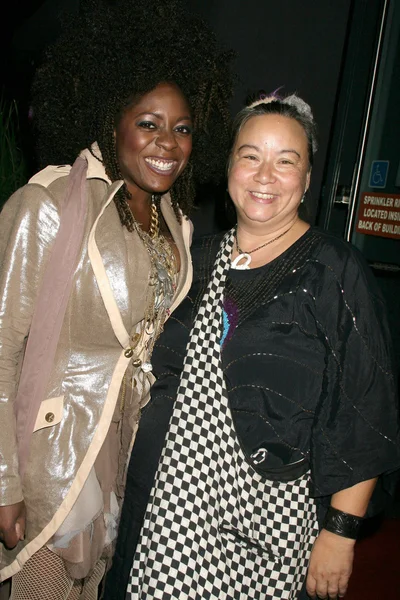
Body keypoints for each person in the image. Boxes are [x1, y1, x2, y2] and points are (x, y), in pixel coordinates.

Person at [114, 92, 400, 599]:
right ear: (229, 170)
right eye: (251, 156)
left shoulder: (335, 273)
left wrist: (339, 535)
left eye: (285, 161)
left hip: (262, 532)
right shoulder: (193, 258)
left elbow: (365, 413)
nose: (265, 175)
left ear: (308, 179)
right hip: (160, 508)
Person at [0, 0, 233, 597]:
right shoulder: (52, 202)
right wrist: (3, 482)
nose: (168, 143)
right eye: (148, 123)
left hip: (124, 450)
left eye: (182, 128)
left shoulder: (174, 222)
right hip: (55, 454)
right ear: (112, 120)